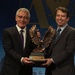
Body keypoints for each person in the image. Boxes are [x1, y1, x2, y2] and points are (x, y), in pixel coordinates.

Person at [0, 8, 38, 75]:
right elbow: (9, 50)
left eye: (26, 18)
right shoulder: (8, 32)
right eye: (20, 17)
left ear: (28, 20)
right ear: (16, 18)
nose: (22, 20)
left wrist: (37, 39)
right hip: (10, 70)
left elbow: (34, 50)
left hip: (26, 71)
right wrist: (21, 59)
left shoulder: (31, 34)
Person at [42, 6, 75, 75]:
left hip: (64, 71)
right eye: (58, 15)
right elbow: (49, 50)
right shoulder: (52, 32)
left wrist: (52, 60)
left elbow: (69, 52)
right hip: (50, 70)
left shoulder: (72, 32)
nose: (60, 18)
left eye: (63, 16)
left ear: (67, 18)